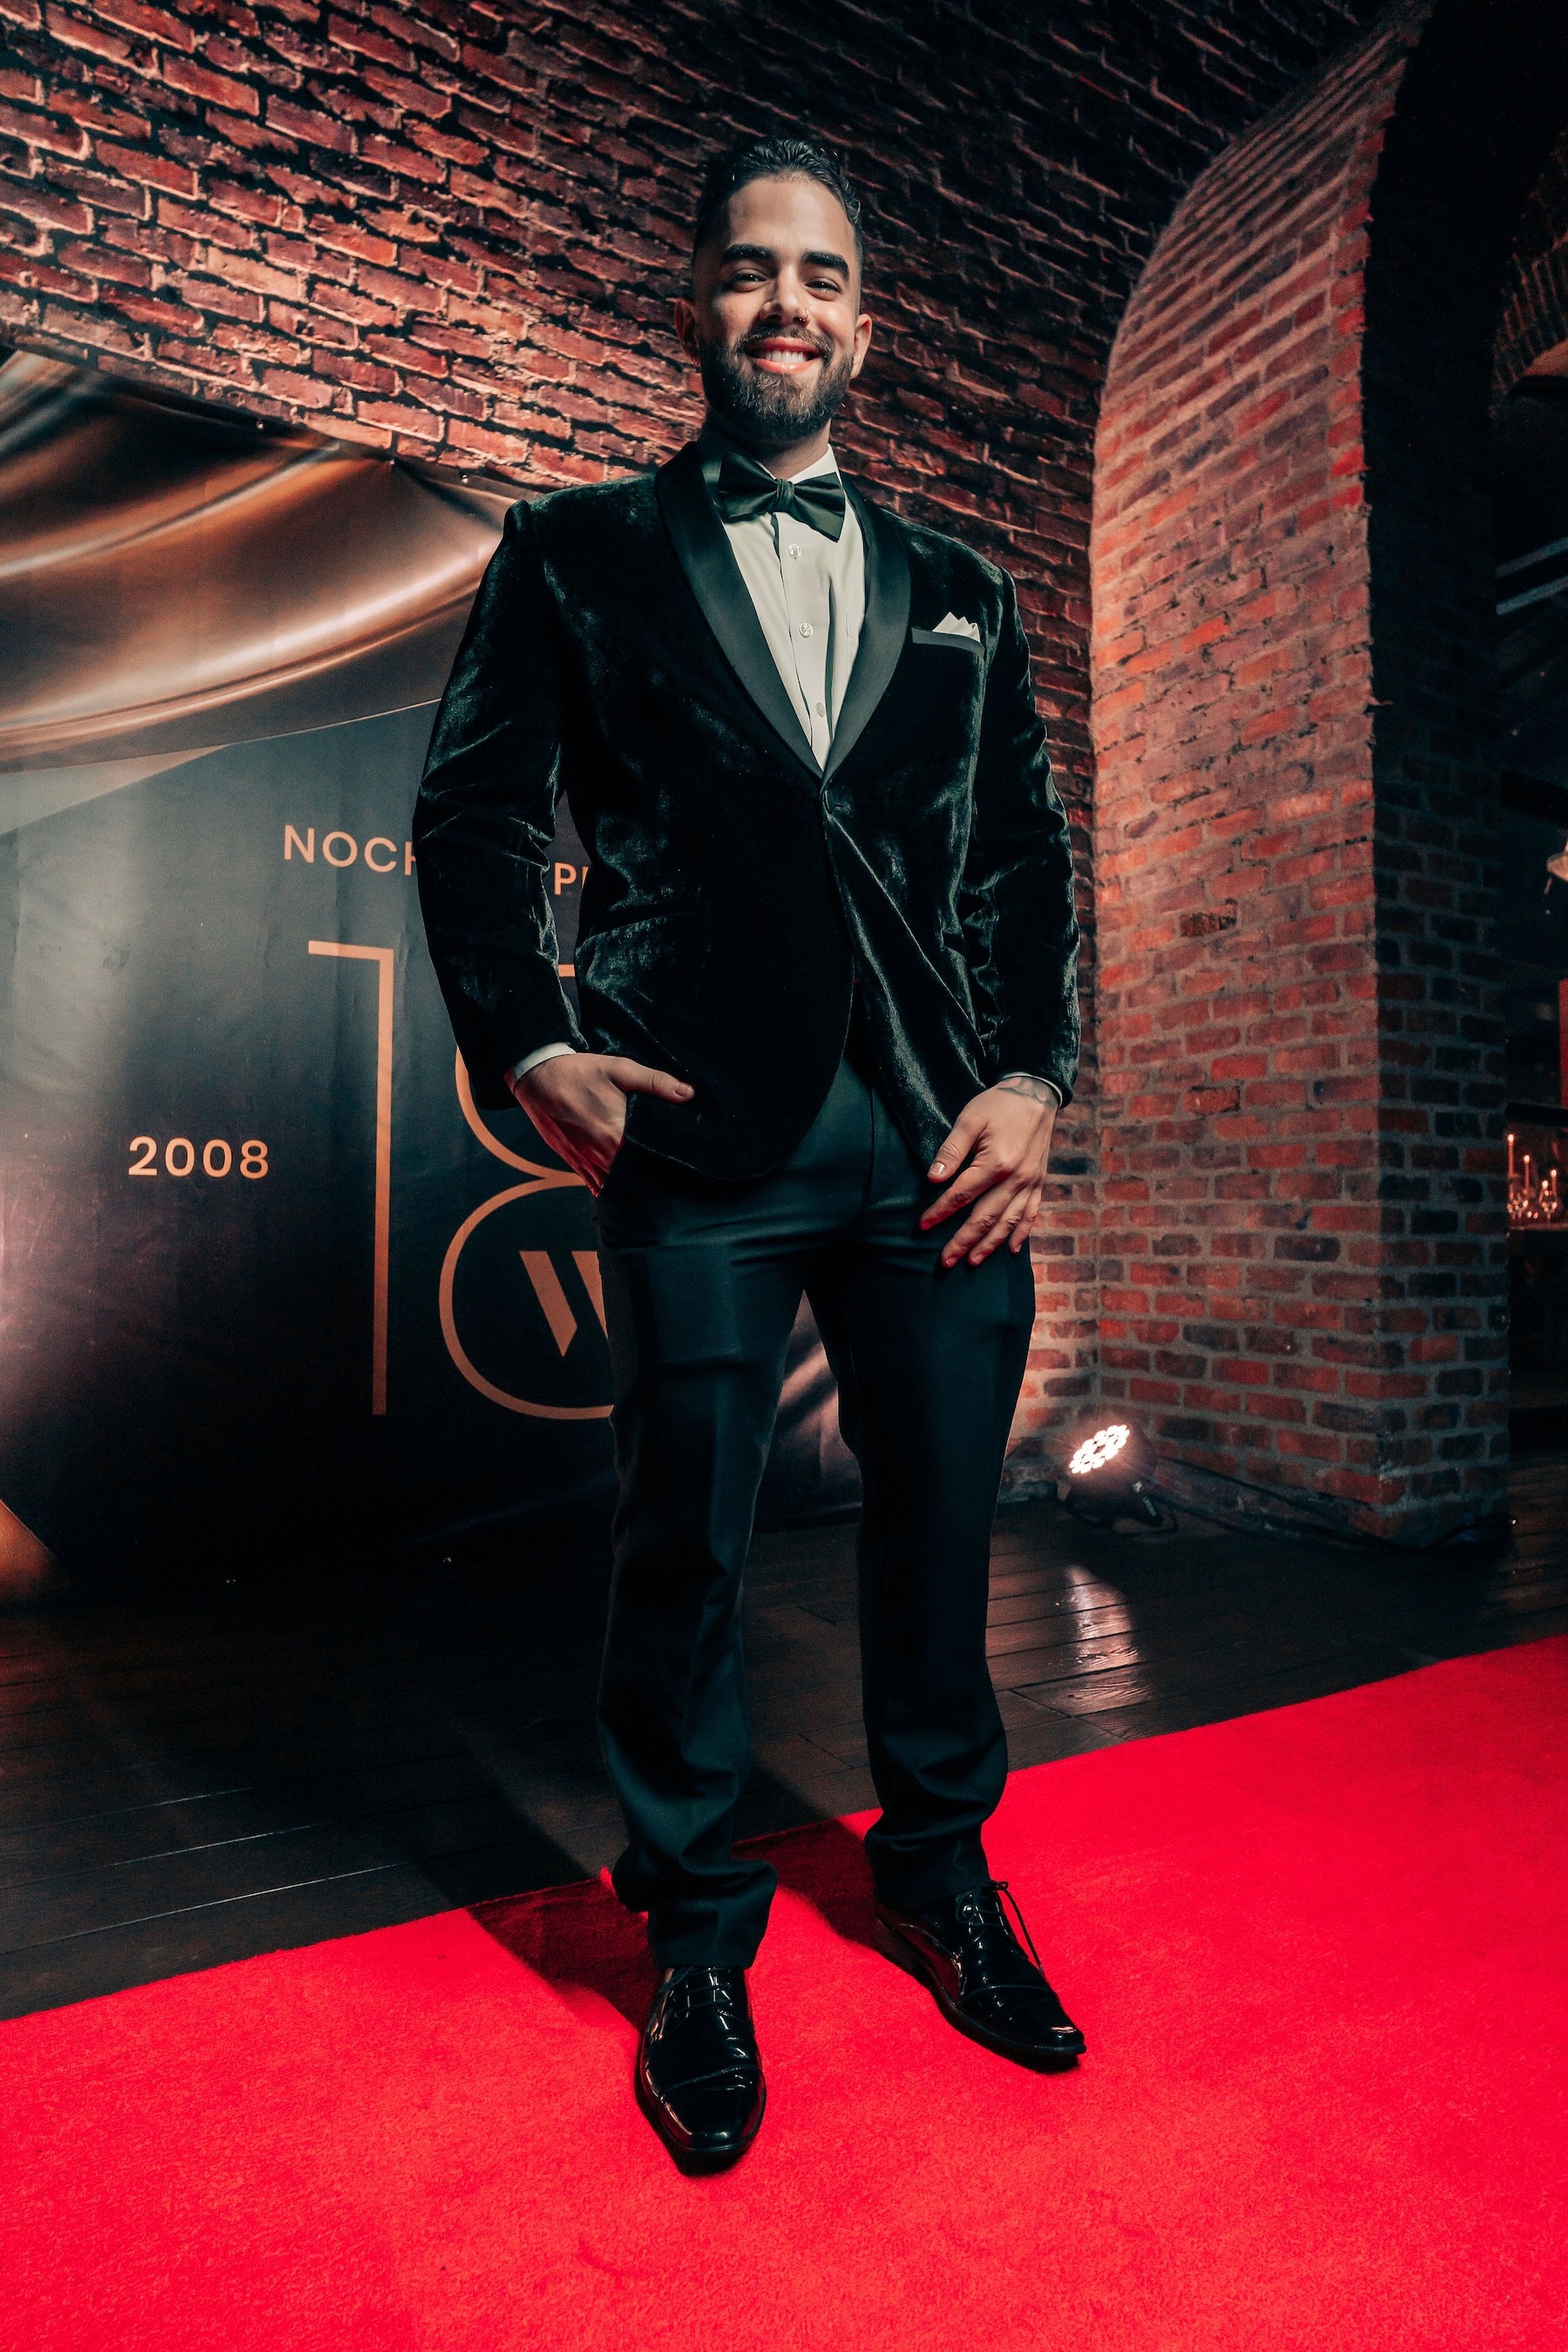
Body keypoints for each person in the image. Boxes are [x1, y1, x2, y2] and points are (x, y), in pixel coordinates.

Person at [414, 133, 1085, 2173]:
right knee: (684, 1541)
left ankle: (943, 1873)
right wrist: (532, 1039)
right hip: (699, 1131)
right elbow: (472, 814)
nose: (785, 301)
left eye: (822, 274)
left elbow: (1022, 858)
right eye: (747, 267)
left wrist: (1036, 1075)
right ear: (694, 305)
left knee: (940, 1529)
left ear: (863, 327)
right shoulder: (575, 550)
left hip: (937, 1139)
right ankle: (696, 1931)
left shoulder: (966, 587)